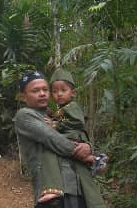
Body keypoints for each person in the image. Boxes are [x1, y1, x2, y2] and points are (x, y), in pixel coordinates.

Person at [14, 71, 105, 208]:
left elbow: (77, 132)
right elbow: (53, 139)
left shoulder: (56, 116)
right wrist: (88, 157)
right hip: (54, 192)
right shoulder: (25, 115)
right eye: (35, 90)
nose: (42, 93)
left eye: (45, 89)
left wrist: (88, 146)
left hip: (79, 185)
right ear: (23, 96)